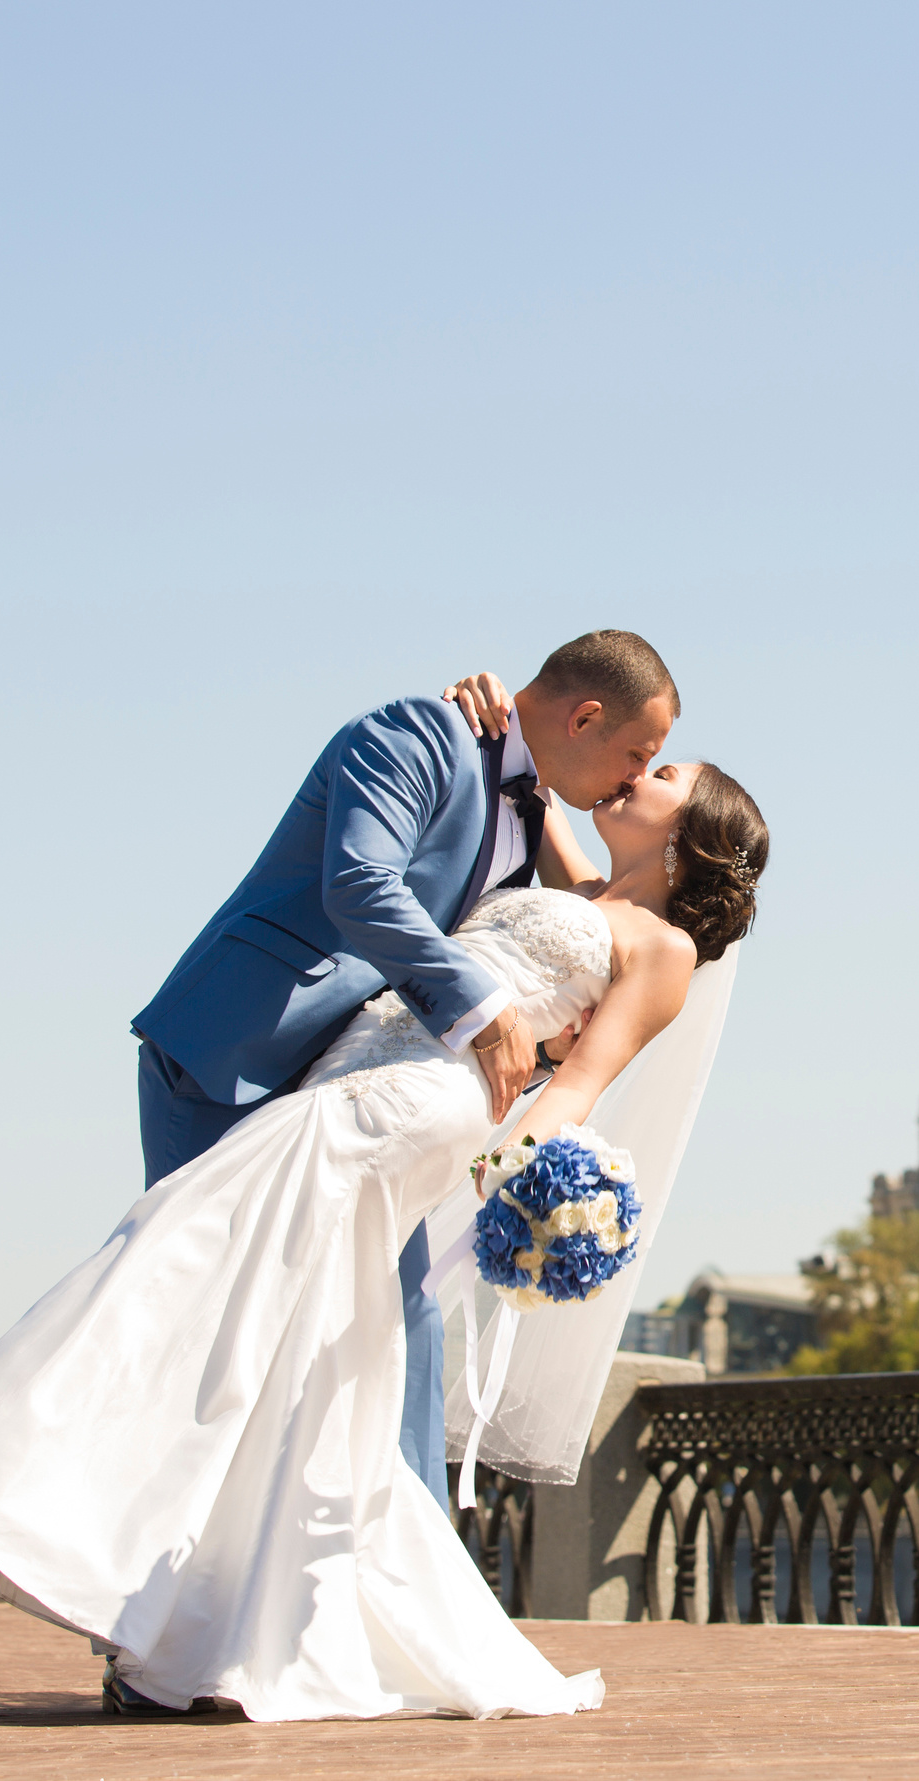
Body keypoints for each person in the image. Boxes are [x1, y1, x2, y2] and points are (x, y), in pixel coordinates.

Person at [0, 671, 768, 1724]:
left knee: (182, 1241)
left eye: (661, 772)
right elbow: (534, 772)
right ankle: (223, 1638)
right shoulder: (579, 879)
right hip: (350, 1070)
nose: (639, 771)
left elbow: (579, 1085)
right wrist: (495, 700)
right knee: (304, 1360)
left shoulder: (664, 951)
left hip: (414, 1101)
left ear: (691, 839)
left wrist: (517, 1183)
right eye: (640, 751)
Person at [124, 629, 677, 1607]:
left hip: (361, 1094)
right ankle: (150, 1614)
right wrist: (486, 1011)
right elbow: (360, 885)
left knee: (403, 1327)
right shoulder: (420, 733)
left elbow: (559, 933)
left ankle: (403, 1604)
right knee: (208, 1329)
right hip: (238, 1057)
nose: (635, 774)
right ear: (587, 716)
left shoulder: (530, 809)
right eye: (638, 751)